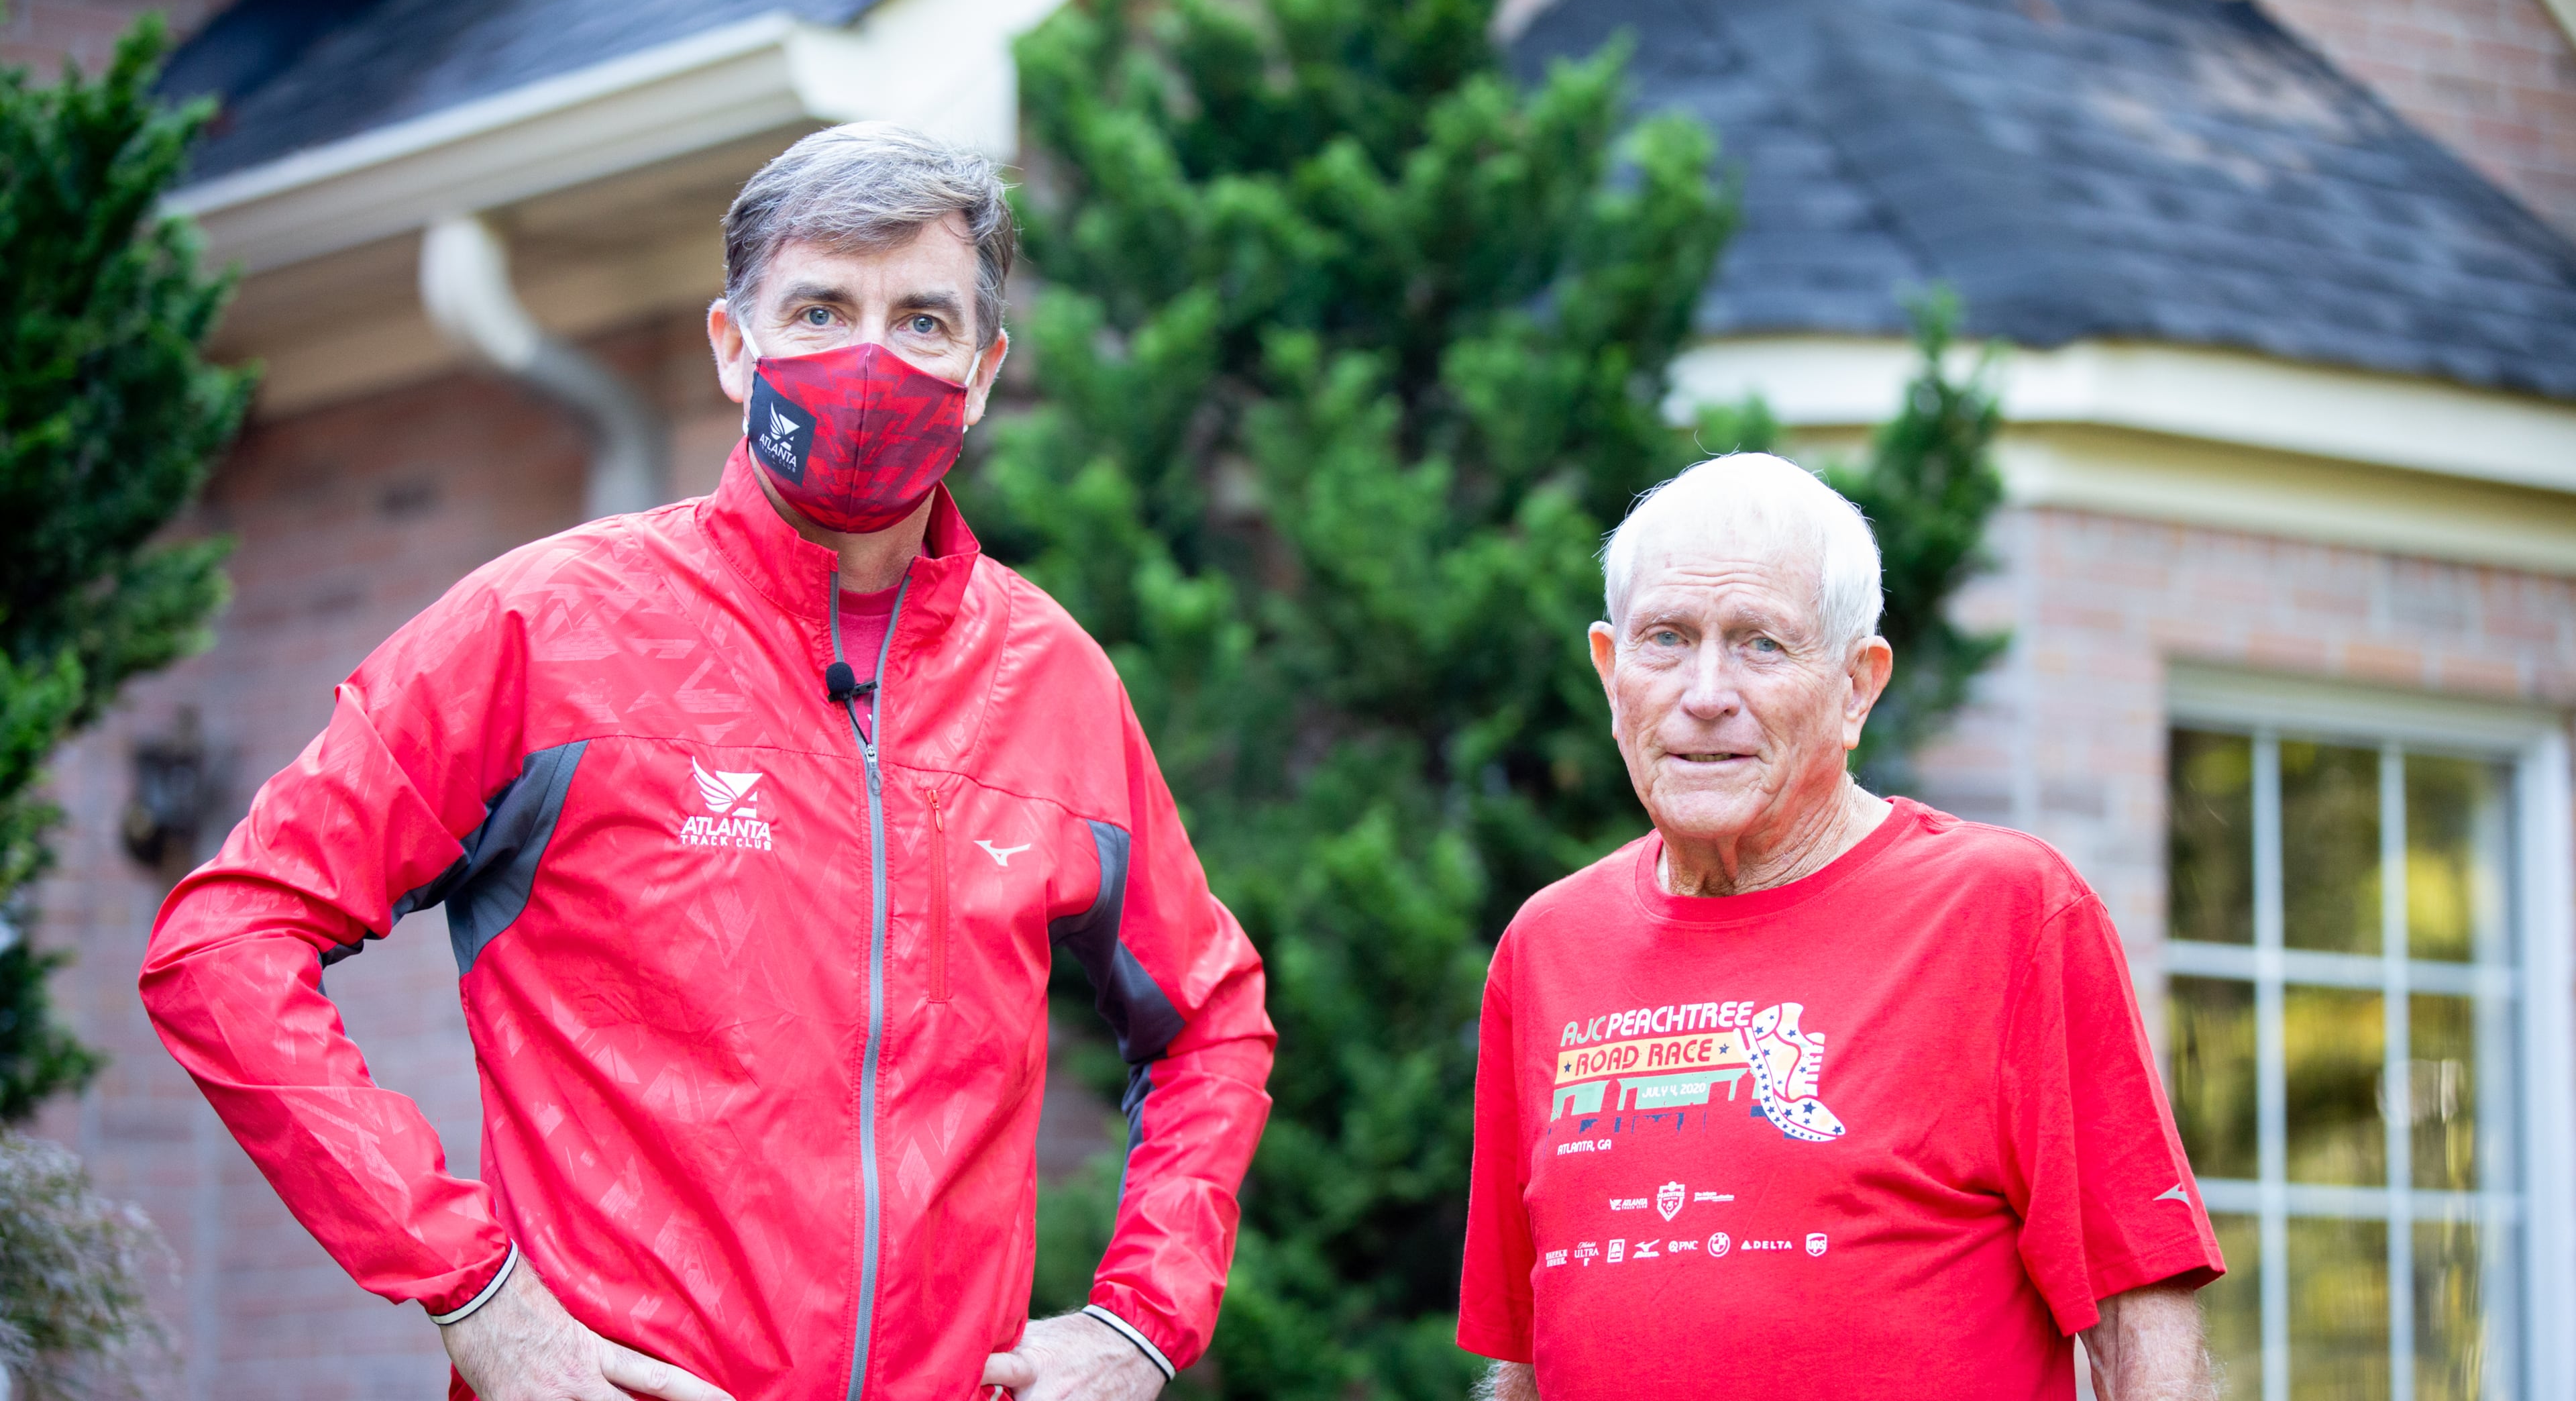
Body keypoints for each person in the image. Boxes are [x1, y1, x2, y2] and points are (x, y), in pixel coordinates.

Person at [140, 123, 1275, 1401]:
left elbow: (1211, 1023)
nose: (868, 359)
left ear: (985, 370)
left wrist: (1139, 1325)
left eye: (922, 323)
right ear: (734, 350)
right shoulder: (544, 632)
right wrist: (472, 1290)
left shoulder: (1052, 682)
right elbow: (226, 946)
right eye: (820, 309)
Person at [1456, 454, 2222, 1399]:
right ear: (1612, 672)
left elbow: (2138, 1298)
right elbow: (1526, 1356)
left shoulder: (2008, 913)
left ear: (1858, 687)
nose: (1704, 693)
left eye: (1760, 645)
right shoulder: (1546, 948)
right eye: (1666, 639)